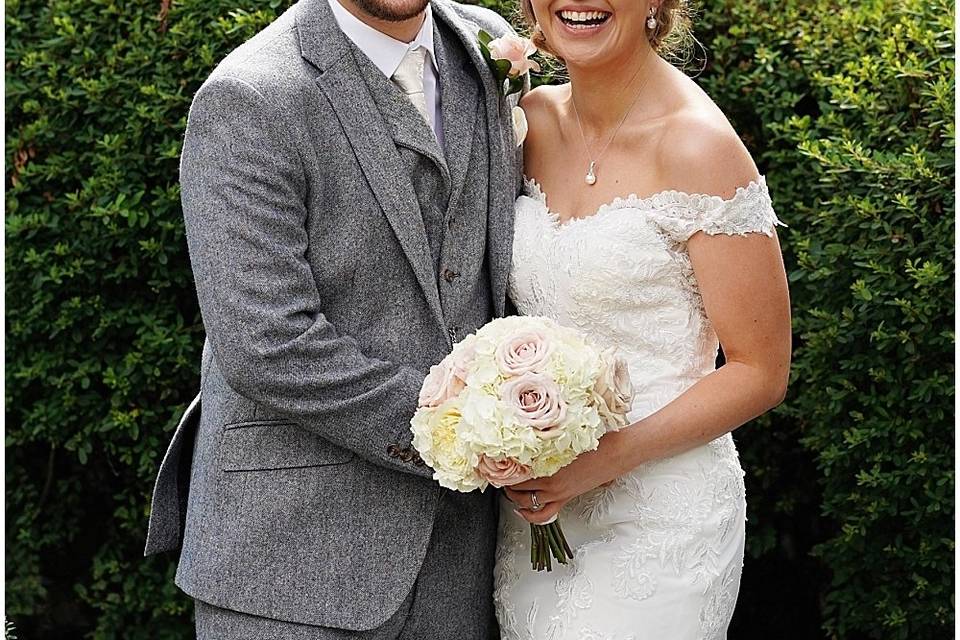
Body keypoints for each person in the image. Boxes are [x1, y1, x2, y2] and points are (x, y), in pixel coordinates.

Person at [143, 0, 524, 636]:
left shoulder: (490, 48)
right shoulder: (251, 97)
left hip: (468, 560)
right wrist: (480, 431)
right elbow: (269, 345)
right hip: (294, 563)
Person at [495, 0, 792, 637]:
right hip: (538, 511)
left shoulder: (698, 147)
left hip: (661, 508)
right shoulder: (530, 119)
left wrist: (602, 460)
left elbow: (760, 370)